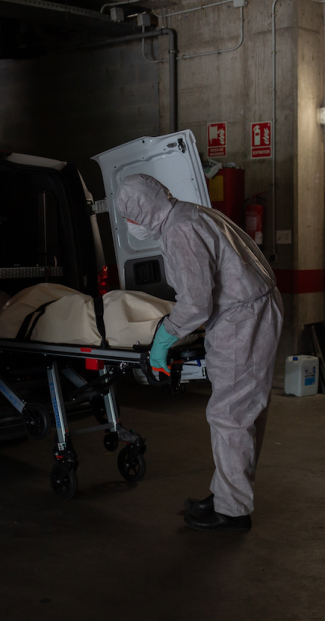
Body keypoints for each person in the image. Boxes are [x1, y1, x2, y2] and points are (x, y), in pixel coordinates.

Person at [117, 174, 283, 531]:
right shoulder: (188, 213)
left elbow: (194, 304)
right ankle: (227, 493)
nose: (130, 225)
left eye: (129, 218)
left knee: (231, 414)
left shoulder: (180, 230)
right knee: (241, 411)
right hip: (248, 310)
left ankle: (233, 511)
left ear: (142, 212)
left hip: (243, 317)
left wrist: (165, 335)